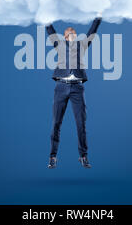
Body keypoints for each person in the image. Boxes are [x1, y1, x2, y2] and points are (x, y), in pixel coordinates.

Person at [45, 15, 102, 169]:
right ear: (64, 36)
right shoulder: (59, 44)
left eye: (74, 32)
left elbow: (92, 31)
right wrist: (44, 16)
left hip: (77, 88)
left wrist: (98, 17)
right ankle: (52, 157)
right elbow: (50, 30)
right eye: (69, 32)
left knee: (81, 124)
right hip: (61, 87)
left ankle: (83, 156)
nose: (72, 33)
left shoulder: (82, 45)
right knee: (56, 123)